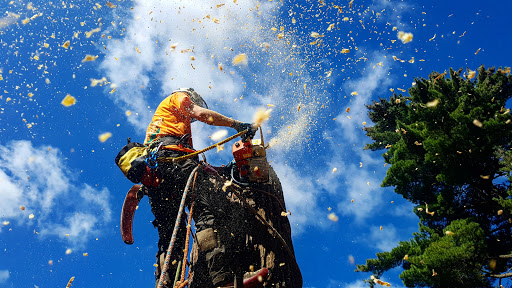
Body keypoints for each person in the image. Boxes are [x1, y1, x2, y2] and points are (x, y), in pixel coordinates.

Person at [142, 88, 255, 288]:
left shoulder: (163, 126)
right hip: (173, 160)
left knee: (170, 237)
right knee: (208, 211)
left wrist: (222, 170)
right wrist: (237, 125)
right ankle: (223, 280)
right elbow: (202, 115)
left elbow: (191, 162)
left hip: (156, 175)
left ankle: (165, 283)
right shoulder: (178, 98)